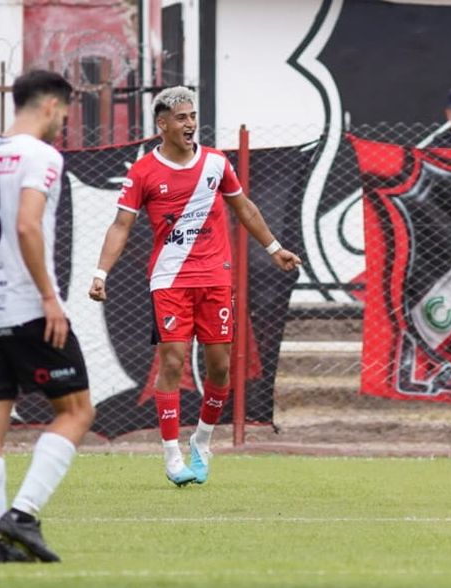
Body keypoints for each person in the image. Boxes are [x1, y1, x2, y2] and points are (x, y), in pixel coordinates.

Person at [89, 86, 300, 486]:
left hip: (216, 278)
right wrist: (100, 274)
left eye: (192, 116)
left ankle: (202, 440)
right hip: (169, 279)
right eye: (181, 118)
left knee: (220, 366)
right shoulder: (143, 172)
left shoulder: (216, 163)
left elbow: (245, 208)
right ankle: (171, 456)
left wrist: (274, 248)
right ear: (162, 124)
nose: (190, 124)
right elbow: (121, 225)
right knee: (172, 361)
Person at [0, 69, 94, 563]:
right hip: (25, 308)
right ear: (50, 106)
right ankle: (22, 513)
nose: (64, 121)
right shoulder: (42, 156)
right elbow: (25, 224)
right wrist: (49, 298)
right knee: (77, 412)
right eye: (65, 112)